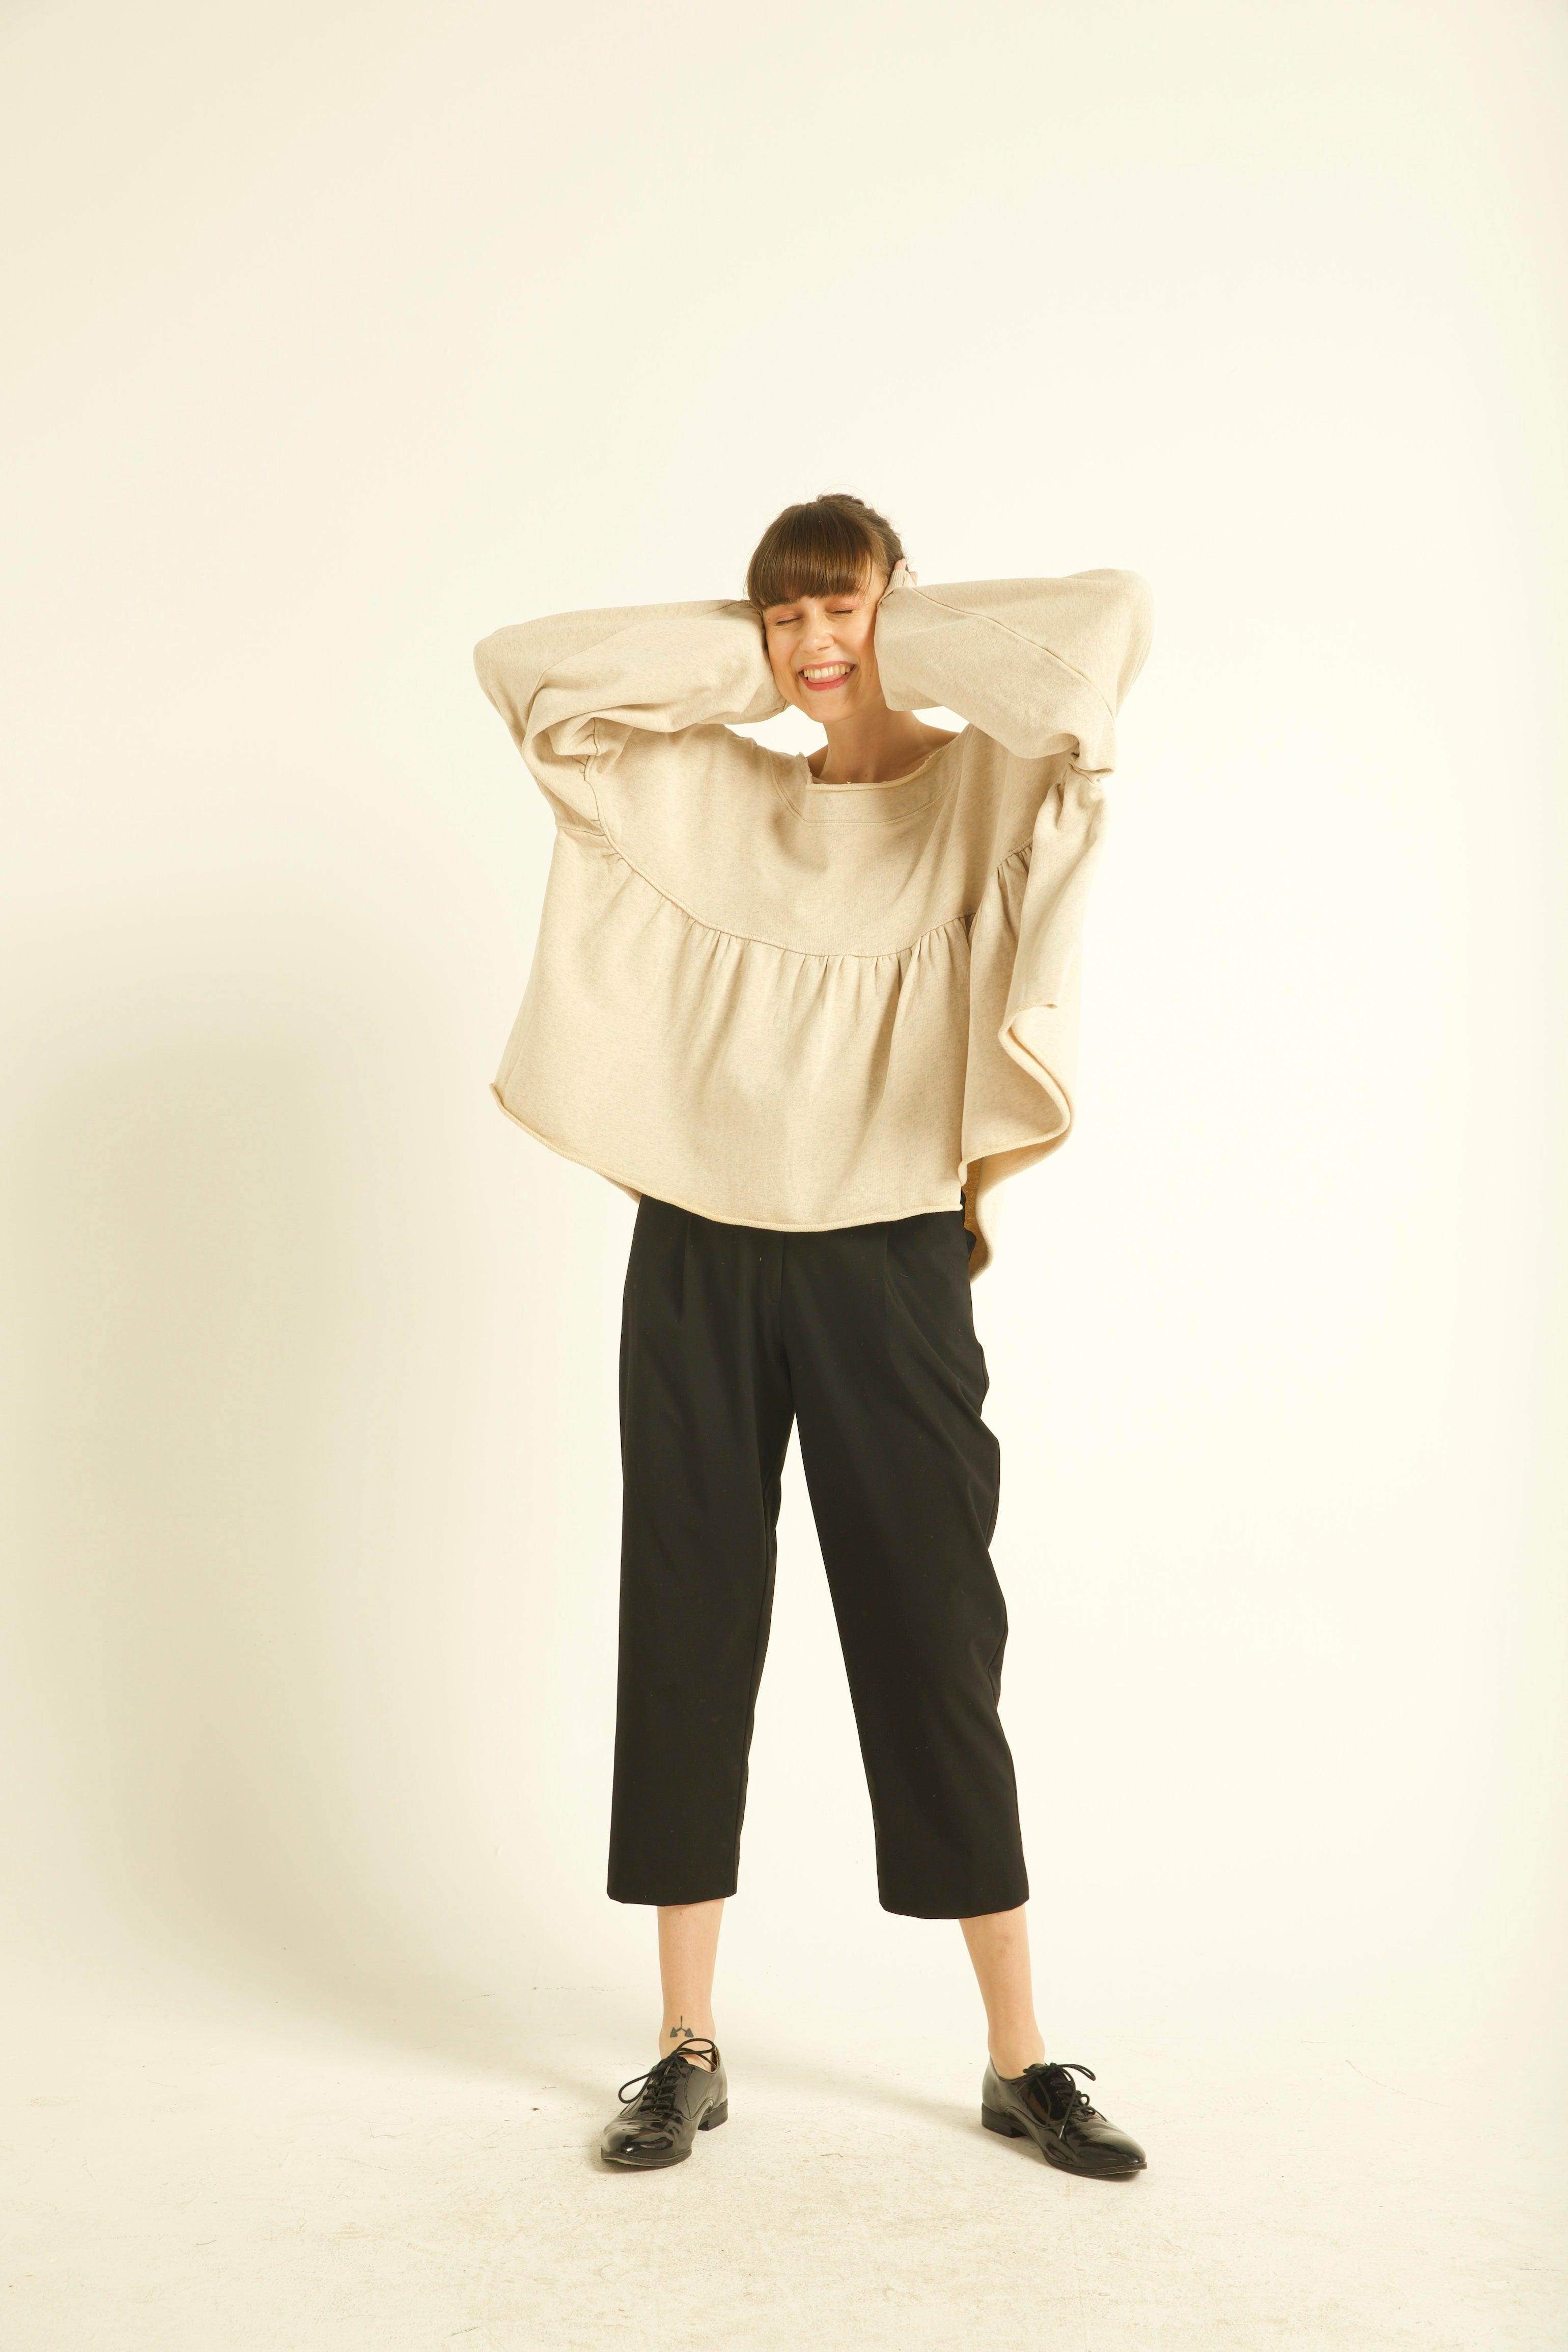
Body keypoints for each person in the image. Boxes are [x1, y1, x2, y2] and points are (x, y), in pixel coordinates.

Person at [472, 493, 1154, 2180]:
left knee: (936, 1636)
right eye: (784, 613)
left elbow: (1103, 634)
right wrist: (766, 662)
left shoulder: (985, 787)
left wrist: (883, 641)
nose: (810, 639)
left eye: (837, 605)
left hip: (889, 1261)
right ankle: (682, 2048)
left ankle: (1020, 2055)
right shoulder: (720, 795)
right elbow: (531, 672)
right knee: (687, 1624)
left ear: (899, 600)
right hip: (700, 1251)